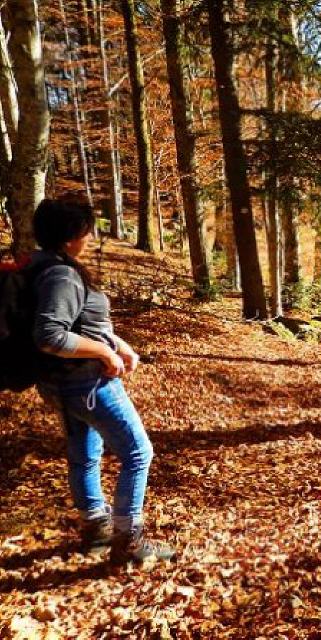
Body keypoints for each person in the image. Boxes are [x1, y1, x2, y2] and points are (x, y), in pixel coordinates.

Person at [30, 199, 174, 564]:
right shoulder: (62, 276)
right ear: (70, 236)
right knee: (138, 453)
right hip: (86, 385)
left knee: (84, 454)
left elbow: (84, 322)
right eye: (86, 231)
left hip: (64, 384)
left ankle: (97, 529)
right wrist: (105, 354)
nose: (90, 237)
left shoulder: (44, 265)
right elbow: (50, 335)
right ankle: (129, 543)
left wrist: (119, 345)